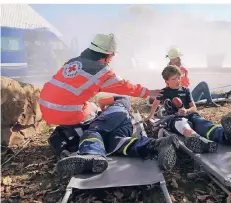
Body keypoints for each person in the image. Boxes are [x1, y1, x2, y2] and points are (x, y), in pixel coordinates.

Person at [39, 33, 162, 126]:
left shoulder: (73, 61)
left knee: (88, 104)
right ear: (106, 53)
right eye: (112, 53)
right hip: (64, 114)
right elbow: (125, 87)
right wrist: (150, 92)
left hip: (45, 110)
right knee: (94, 110)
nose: (113, 56)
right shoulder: (102, 72)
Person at [55, 95, 179, 176]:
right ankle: (157, 144)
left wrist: (103, 109)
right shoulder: (127, 109)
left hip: (115, 113)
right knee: (118, 143)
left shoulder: (121, 99)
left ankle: (92, 155)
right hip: (126, 123)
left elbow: (101, 101)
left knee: (92, 131)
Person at [146, 65, 231, 153]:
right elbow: (155, 103)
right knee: (183, 126)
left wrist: (187, 110)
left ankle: (225, 135)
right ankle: (202, 142)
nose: (178, 80)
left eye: (179, 77)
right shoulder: (164, 92)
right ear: (167, 81)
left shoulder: (186, 90)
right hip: (175, 119)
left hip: (190, 115)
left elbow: (194, 108)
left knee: (203, 124)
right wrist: (151, 116)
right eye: (174, 79)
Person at [165, 48, 231, 107]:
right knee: (203, 84)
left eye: (173, 59)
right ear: (178, 57)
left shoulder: (170, 69)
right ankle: (210, 102)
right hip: (185, 98)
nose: (173, 60)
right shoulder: (180, 69)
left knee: (205, 94)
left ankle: (224, 95)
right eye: (172, 59)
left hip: (183, 96)